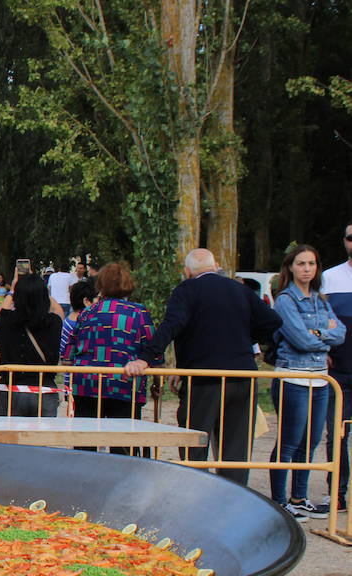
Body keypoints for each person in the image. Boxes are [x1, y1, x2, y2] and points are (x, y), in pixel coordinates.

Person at [125, 249, 283, 484]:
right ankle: (234, 497)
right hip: (242, 375)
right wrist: (244, 338)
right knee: (235, 448)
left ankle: (195, 492)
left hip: (203, 378)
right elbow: (272, 321)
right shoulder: (240, 289)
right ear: (216, 266)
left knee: (194, 442)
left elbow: (172, 324)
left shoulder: (187, 290)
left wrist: (145, 357)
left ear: (187, 271)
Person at [267, 244, 343, 520]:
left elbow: (341, 333)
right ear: (290, 267)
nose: (307, 268)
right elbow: (299, 339)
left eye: (311, 263)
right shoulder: (286, 300)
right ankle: (279, 499)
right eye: (301, 263)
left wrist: (316, 333)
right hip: (293, 376)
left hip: (321, 379)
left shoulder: (321, 299)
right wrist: (324, 336)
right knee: (289, 441)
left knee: (310, 442)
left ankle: (299, 497)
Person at [65, 262, 152, 452]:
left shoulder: (87, 312)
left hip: (87, 384)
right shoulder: (138, 312)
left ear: (100, 285)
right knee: (123, 445)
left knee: (85, 443)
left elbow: (68, 353)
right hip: (125, 384)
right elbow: (151, 348)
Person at [0, 274, 63, 417]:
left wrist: (13, 290)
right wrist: (39, 291)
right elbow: (59, 311)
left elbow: (1, 312)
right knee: (43, 439)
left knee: (8, 437)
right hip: (44, 388)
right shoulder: (53, 322)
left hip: (11, 387)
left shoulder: (6, 322)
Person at [321, 221, 352, 516]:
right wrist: (325, 348)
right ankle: (337, 494)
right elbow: (322, 321)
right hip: (339, 371)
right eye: (351, 238)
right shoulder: (330, 278)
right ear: (344, 241)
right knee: (338, 434)